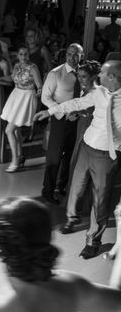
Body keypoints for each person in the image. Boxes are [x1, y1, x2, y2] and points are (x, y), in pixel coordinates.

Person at [34, 60, 121, 259]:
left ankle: (93, 241)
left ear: (113, 77)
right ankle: (71, 219)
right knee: (77, 186)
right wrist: (50, 111)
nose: (98, 78)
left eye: (103, 74)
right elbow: (77, 103)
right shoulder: (98, 93)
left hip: (108, 155)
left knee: (100, 200)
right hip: (86, 146)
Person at [40, 43, 84, 204]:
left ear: (81, 56)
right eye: (69, 54)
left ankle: (62, 186)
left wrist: (78, 113)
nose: (72, 58)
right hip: (60, 120)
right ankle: (48, 191)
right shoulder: (55, 74)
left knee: (70, 156)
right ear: (66, 56)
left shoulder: (84, 73)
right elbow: (45, 97)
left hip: (78, 121)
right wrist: (64, 112)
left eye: (76, 55)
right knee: (55, 156)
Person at [60, 60, 100, 234]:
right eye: (79, 76)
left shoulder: (101, 93)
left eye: (84, 77)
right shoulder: (84, 90)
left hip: (97, 141)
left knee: (94, 182)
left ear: (94, 77)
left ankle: (91, 218)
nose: (81, 80)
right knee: (78, 178)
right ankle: (71, 217)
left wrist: (84, 113)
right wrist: (76, 114)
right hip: (81, 138)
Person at [0, 46, 43, 172]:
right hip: (16, 95)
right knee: (15, 130)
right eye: (21, 54)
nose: (23, 56)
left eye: (25, 54)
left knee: (9, 130)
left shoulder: (33, 67)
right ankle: (20, 156)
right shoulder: (17, 65)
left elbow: (39, 85)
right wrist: (0, 78)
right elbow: (12, 78)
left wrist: (39, 93)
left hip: (27, 97)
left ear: (29, 55)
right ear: (17, 55)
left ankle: (15, 161)